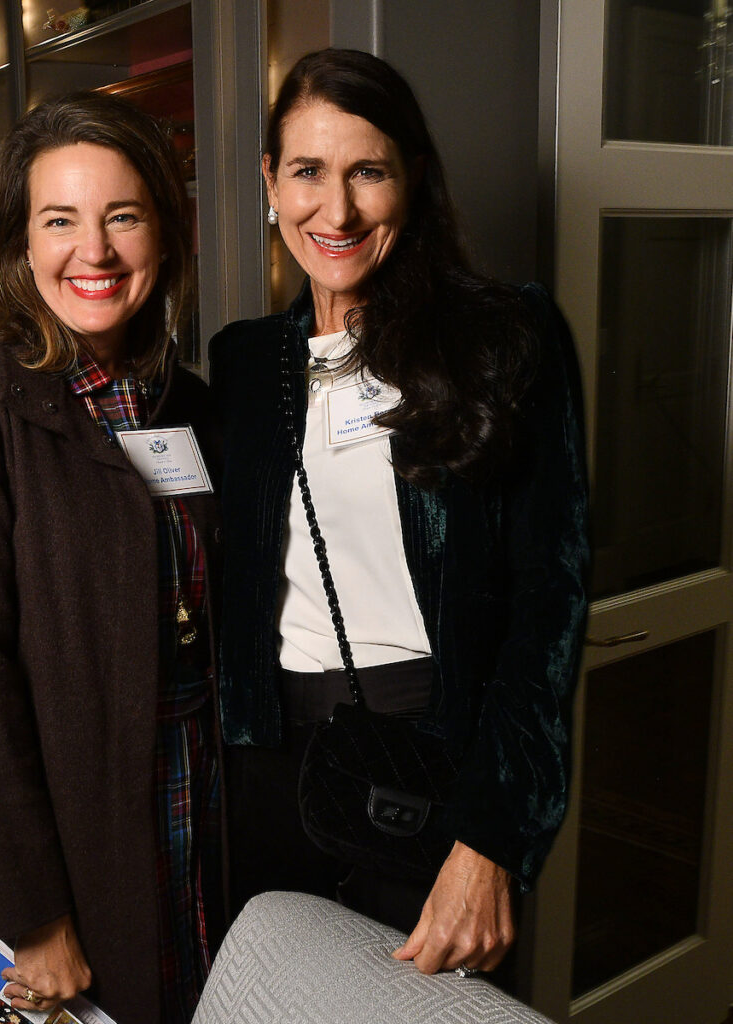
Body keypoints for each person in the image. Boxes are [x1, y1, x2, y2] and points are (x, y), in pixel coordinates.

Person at [210, 48, 588, 982]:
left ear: (411, 179)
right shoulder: (246, 363)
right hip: (268, 768)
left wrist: (492, 839)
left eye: (367, 172)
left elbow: (551, 601)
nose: (334, 212)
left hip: (430, 761)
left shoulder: (506, 338)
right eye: (307, 171)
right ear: (270, 180)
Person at [0, 92, 223, 1024]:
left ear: (163, 230)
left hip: (187, 799)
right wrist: (31, 914)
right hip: (50, 833)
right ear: (19, 243)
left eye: (123, 216)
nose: (96, 251)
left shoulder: (188, 403)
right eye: (61, 220)